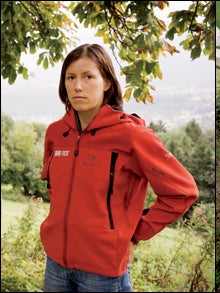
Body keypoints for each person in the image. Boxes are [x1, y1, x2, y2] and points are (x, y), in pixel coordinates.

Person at [40, 43, 199, 292]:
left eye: (88, 76)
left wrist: (134, 234)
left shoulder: (131, 135)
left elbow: (182, 192)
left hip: (102, 274)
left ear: (107, 83)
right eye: (70, 77)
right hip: (55, 266)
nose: (77, 86)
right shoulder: (55, 134)